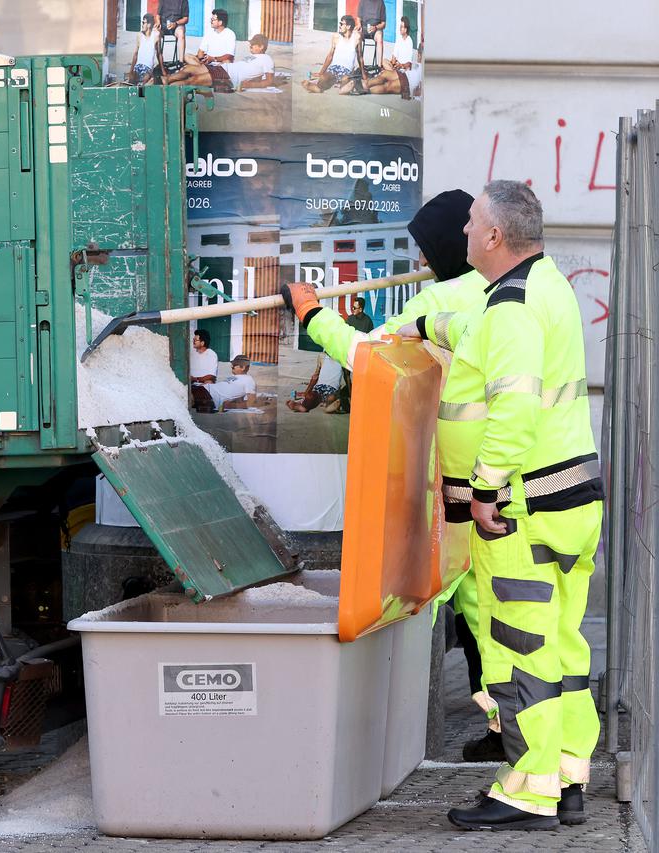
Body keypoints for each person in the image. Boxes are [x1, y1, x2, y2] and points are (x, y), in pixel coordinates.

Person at [406, 182, 602, 831]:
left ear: (493, 237)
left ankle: (525, 789)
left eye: (470, 224)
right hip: (570, 497)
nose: (462, 234)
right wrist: (426, 325)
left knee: (523, 650)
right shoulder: (543, 285)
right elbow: (481, 330)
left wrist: (485, 488)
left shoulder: (513, 303)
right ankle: (568, 778)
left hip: (524, 506)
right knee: (564, 644)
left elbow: (513, 408)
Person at [279, 190, 496, 760]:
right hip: (509, 479)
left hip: (463, 487)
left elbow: (371, 359)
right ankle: (508, 728)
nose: (422, 261)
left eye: (426, 249)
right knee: (493, 609)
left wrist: (311, 315)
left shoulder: (443, 299)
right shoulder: (511, 293)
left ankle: (507, 730)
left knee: (474, 607)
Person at [165, 10, 237, 88]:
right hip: (206, 63)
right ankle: (201, 72)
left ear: (220, 22)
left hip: (219, 65)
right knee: (187, 56)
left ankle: (200, 73)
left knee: (227, 62)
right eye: (211, 19)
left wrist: (213, 59)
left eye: (213, 20)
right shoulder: (209, 32)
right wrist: (202, 58)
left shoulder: (230, 34)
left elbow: (230, 56)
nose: (211, 21)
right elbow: (200, 51)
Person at [300, 16, 360, 93]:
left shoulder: (356, 38)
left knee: (346, 80)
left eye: (342, 24)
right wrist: (321, 73)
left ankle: (342, 89)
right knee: (323, 78)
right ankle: (319, 88)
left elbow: (360, 57)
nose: (340, 26)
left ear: (348, 26)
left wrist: (364, 75)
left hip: (347, 70)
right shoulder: (336, 37)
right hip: (334, 68)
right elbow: (330, 56)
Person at [127, 14, 162, 84]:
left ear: (149, 25)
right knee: (132, 80)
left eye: (143, 23)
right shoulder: (139, 35)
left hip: (148, 69)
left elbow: (159, 54)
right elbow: (135, 54)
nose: (142, 25)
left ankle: (141, 92)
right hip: (138, 67)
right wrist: (131, 71)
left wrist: (163, 70)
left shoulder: (156, 36)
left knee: (145, 80)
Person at [158, 0, 190, 70]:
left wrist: (176, 23)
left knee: (181, 33)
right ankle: (160, 63)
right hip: (163, 25)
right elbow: (158, 15)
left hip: (177, 25)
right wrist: (158, 22)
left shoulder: (183, 1)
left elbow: (186, 18)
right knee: (156, 34)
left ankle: (181, 63)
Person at [357, 0, 387, 69]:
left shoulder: (380, 2)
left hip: (375, 29)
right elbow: (358, 18)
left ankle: (379, 66)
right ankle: (361, 66)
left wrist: (376, 27)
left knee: (380, 37)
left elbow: (383, 24)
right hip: (364, 28)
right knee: (357, 36)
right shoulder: (362, 1)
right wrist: (359, 25)